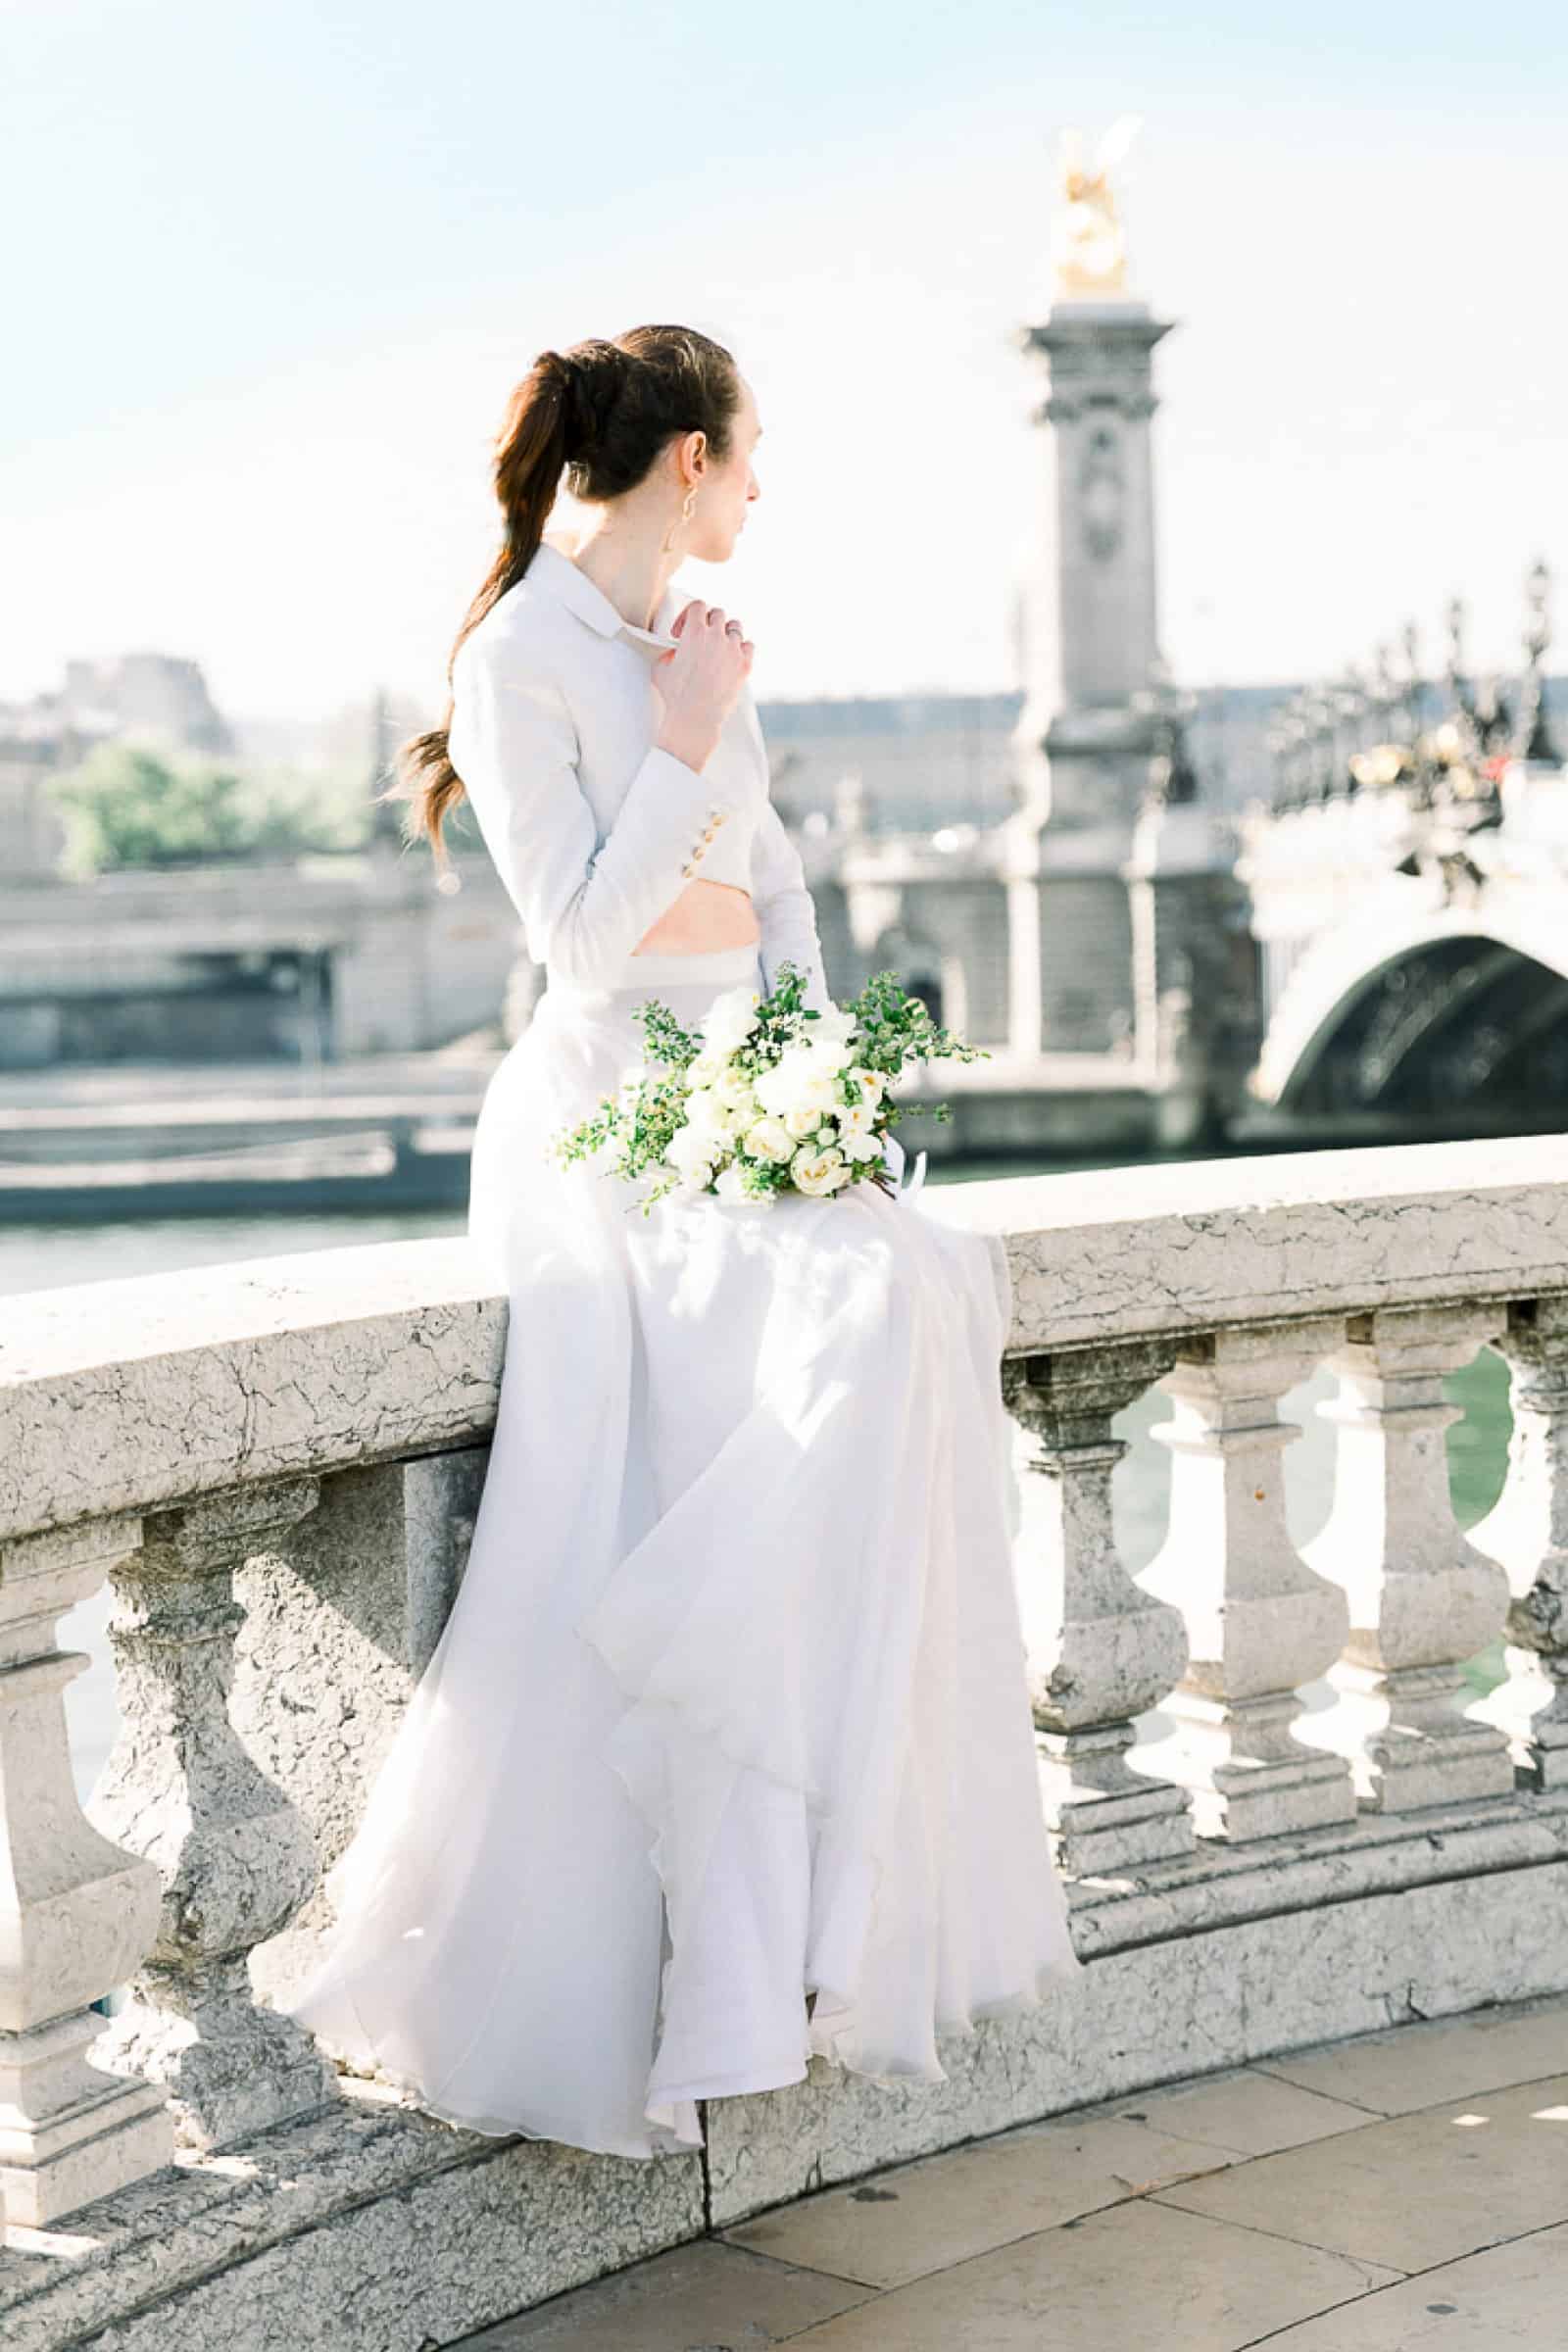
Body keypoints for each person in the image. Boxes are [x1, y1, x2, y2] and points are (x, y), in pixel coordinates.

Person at [277, 323, 1085, 2162]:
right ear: (688, 463)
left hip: (742, 1095)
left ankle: (819, 1910)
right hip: (611, 1124)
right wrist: (688, 742)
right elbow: (578, 938)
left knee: (922, 1280)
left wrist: (813, 1084)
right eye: (751, 448)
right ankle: (741, 1939)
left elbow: (779, 888)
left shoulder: (694, 643)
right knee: (851, 1338)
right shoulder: (521, 654)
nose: (762, 481)